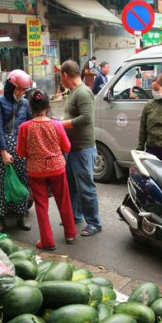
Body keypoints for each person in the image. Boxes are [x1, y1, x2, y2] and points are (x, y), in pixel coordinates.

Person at [17, 89, 76, 251]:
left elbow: (20, 152)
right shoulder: (56, 125)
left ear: (31, 107)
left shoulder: (25, 127)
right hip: (57, 168)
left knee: (41, 205)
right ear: (47, 106)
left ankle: (47, 241)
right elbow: (67, 147)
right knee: (64, 201)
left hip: (36, 172)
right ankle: (70, 234)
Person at [60, 60, 103, 237]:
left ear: (64, 76)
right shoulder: (72, 92)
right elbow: (73, 115)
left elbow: (86, 118)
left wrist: (61, 124)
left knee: (86, 187)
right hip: (72, 148)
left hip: (83, 149)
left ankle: (94, 222)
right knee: (71, 186)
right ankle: (75, 216)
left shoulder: (83, 92)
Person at [0, 69, 34, 233]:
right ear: (10, 86)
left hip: (21, 148)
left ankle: (21, 215)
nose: (22, 93)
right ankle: (1, 218)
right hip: (2, 148)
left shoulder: (26, 103)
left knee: (22, 181)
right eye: (19, 89)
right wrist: (3, 152)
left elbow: (29, 126)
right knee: (0, 182)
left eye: (24, 90)